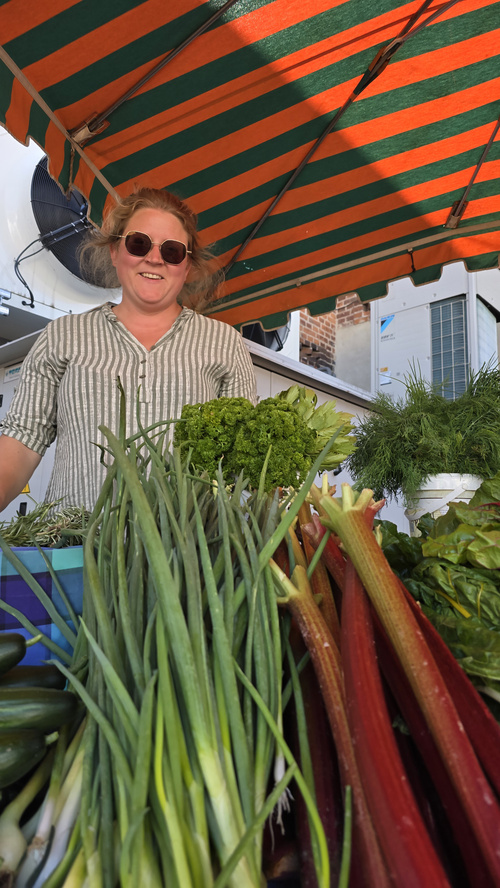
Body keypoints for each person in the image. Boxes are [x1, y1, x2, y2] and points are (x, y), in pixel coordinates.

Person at [0, 187, 257, 513]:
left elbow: (242, 462)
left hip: (184, 556)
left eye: (173, 251)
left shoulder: (225, 344)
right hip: (73, 550)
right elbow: (22, 439)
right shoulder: (63, 335)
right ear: (114, 251)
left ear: (187, 267)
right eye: (139, 244)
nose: (154, 258)